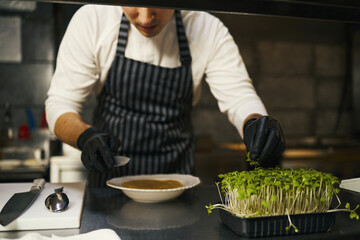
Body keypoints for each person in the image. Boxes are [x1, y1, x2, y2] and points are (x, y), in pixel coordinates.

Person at [45, 5, 285, 187]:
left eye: (158, 3)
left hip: (178, 184)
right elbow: (60, 104)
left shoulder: (206, 28)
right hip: (109, 185)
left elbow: (240, 97)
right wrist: (85, 136)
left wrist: (255, 123)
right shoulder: (93, 19)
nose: (146, 17)